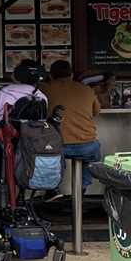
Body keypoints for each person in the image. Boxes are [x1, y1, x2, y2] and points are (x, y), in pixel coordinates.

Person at [41, 60, 101, 193]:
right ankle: (83, 187)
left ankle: (53, 189)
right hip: (86, 146)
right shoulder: (86, 90)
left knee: (51, 159)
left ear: (50, 76)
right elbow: (96, 111)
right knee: (93, 155)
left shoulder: (44, 88)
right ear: (71, 75)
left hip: (57, 146)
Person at [0, 59, 48, 131]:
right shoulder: (42, 97)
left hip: (7, 139)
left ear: (18, 73)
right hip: (33, 139)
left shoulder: (2, 94)